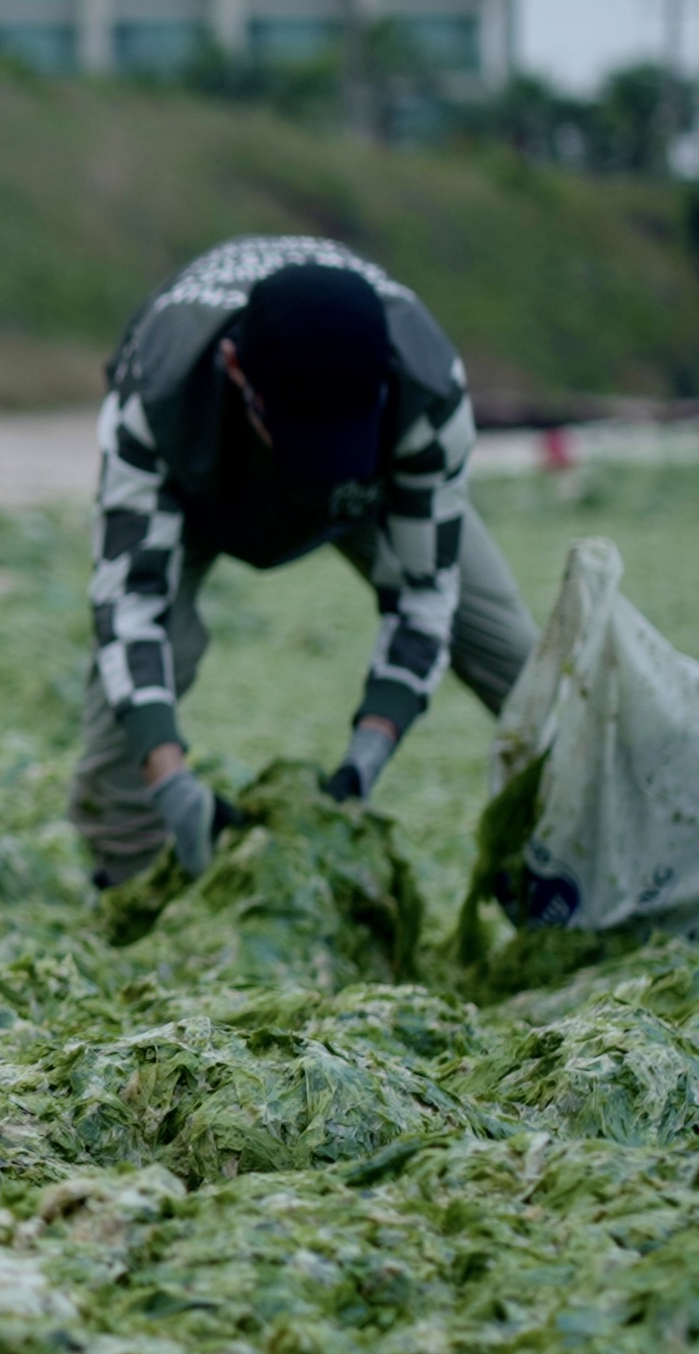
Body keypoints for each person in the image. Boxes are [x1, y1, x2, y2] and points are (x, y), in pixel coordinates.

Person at [75, 236, 534, 886]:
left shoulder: (427, 390)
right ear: (235, 370)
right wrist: (171, 778)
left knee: (517, 655)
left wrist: (366, 758)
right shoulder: (157, 390)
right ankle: (130, 886)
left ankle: (601, 845)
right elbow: (129, 607)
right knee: (129, 715)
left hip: (367, 490)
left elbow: (425, 596)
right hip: (204, 483)